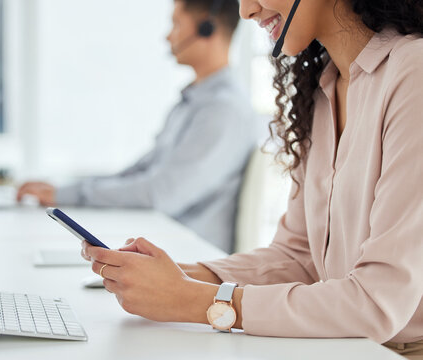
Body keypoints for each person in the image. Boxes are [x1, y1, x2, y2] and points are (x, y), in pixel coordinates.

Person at [81, 0, 423, 358]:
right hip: (343, 346)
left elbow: (378, 301)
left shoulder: (412, 73)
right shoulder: (322, 86)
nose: (245, 11)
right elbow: (299, 258)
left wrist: (195, 300)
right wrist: (180, 276)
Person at [17, 0, 258, 253]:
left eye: (176, 24)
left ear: (207, 28)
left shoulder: (222, 110)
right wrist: (63, 190)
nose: (167, 36)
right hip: (159, 242)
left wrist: (69, 195)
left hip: (186, 258)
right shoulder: (193, 102)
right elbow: (136, 174)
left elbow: (159, 194)